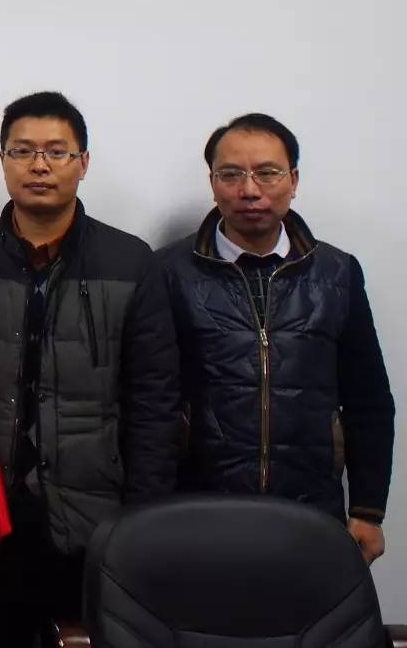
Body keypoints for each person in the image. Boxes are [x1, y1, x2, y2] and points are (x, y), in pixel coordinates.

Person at [0, 91, 180, 647]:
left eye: (57, 152)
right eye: (23, 151)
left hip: (93, 517)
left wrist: (144, 518)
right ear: (3, 160)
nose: (39, 165)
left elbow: (154, 401)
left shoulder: (130, 261)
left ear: (84, 163)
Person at [161, 112, 394, 563]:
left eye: (267, 173)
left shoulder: (337, 273)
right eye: (231, 174)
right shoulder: (169, 272)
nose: (250, 190)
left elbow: (368, 400)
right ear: (213, 183)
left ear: (294, 180)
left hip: (311, 510)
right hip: (198, 510)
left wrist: (368, 510)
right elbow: (150, 403)